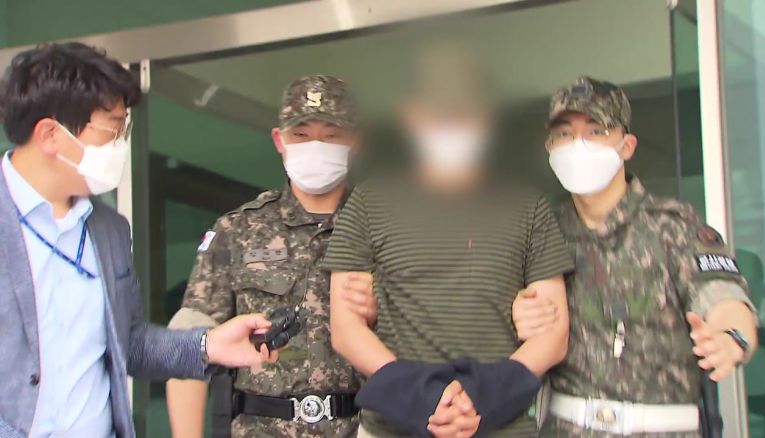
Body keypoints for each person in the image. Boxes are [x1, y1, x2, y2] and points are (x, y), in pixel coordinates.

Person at [0, 43, 277, 438]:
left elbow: (128, 341)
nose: (121, 144)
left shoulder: (108, 229)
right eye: (112, 129)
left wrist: (208, 346)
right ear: (50, 134)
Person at [323, 49, 573, 438]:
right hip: (393, 429)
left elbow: (553, 335)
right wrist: (419, 396)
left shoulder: (529, 207)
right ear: (410, 114)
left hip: (502, 428)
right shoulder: (368, 202)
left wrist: (484, 397)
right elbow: (345, 327)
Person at [511, 76, 758, 437]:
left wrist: (729, 337)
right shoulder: (542, 230)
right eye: (564, 134)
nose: (578, 144)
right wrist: (521, 314)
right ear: (550, 147)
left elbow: (724, 297)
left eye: (596, 131)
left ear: (626, 146)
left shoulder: (672, 226)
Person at [166, 75, 376, 438]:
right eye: (301, 134)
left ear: (355, 141)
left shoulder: (379, 230)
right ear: (279, 140)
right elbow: (188, 348)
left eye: (330, 135)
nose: (315, 146)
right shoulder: (237, 230)